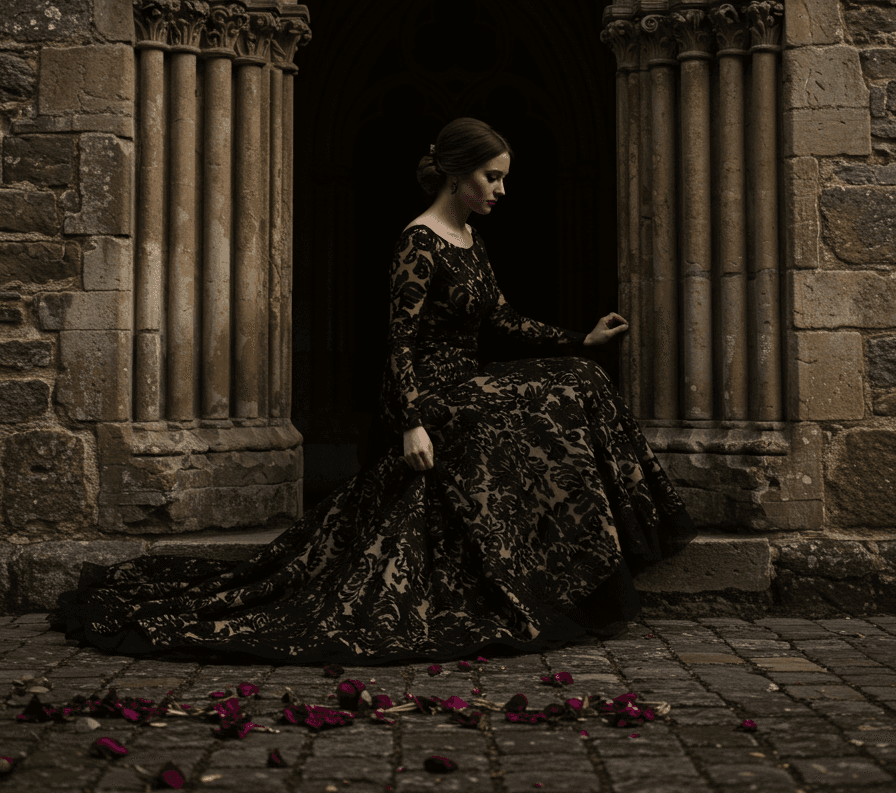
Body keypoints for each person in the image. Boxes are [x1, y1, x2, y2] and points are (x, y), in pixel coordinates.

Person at [50, 117, 694, 666]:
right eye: (491, 176)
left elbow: (500, 319)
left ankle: (602, 551)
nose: (501, 188)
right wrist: (412, 422)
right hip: (427, 396)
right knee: (555, 397)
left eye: (503, 177)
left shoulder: (471, 239)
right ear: (455, 173)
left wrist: (578, 339)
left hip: (464, 383)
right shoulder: (418, 242)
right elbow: (400, 343)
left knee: (580, 378)